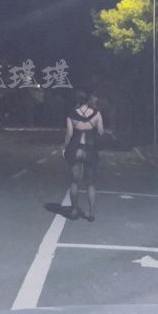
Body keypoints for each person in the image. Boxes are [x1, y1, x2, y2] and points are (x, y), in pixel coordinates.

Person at [63, 90, 104, 221]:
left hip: (75, 149)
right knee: (91, 183)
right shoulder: (96, 113)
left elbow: (69, 133)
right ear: (87, 99)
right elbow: (101, 132)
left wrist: (64, 147)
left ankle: (74, 210)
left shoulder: (71, 114)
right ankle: (91, 213)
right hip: (91, 150)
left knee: (74, 181)